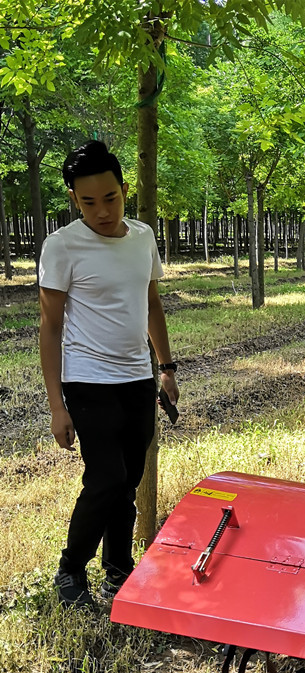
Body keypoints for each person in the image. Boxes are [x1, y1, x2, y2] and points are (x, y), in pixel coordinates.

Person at [39, 140, 180, 608]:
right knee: (106, 478)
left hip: (137, 379)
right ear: (74, 200)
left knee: (129, 478)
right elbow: (51, 326)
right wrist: (57, 406)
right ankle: (69, 570)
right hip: (86, 379)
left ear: (125, 189)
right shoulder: (61, 246)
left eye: (110, 198)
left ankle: (119, 572)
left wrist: (165, 368)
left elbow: (152, 303)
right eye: (88, 202)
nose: (102, 211)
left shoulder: (142, 238)